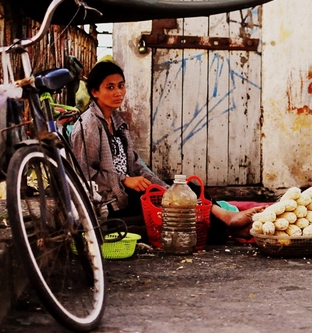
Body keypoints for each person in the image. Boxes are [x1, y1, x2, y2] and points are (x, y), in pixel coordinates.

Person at [69, 60, 263, 241]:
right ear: (95, 92)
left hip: (129, 191)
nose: (118, 92)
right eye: (110, 87)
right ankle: (230, 225)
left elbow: (136, 165)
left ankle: (229, 221)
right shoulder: (88, 125)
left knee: (185, 188)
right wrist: (124, 180)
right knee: (174, 210)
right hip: (111, 202)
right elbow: (83, 175)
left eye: (121, 85)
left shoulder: (117, 123)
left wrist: (166, 189)